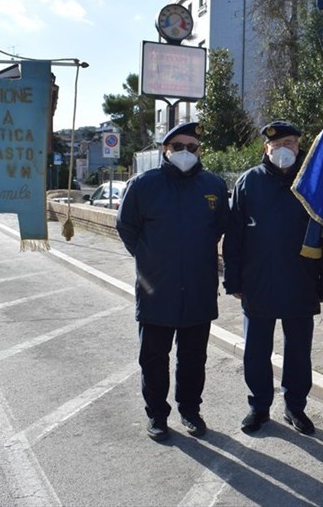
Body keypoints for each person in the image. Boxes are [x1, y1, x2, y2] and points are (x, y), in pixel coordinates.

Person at [116, 121, 229, 441]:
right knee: (153, 358)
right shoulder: (143, 185)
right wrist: (150, 258)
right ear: (165, 150)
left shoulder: (214, 185)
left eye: (191, 147)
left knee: (193, 358)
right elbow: (126, 227)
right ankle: (157, 415)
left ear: (199, 150)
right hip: (157, 290)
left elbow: (220, 228)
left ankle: (190, 410)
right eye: (177, 147)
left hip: (198, 289)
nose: (184, 153)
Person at [223, 121, 323, 435]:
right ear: (266, 148)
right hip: (258, 283)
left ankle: (295, 407)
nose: (286, 150)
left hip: (301, 283)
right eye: (279, 144)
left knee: (298, 352)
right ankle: (259, 407)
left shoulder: (311, 185)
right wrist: (233, 281)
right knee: (256, 351)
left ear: (300, 148)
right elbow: (233, 238)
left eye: (292, 144)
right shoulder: (248, 183)